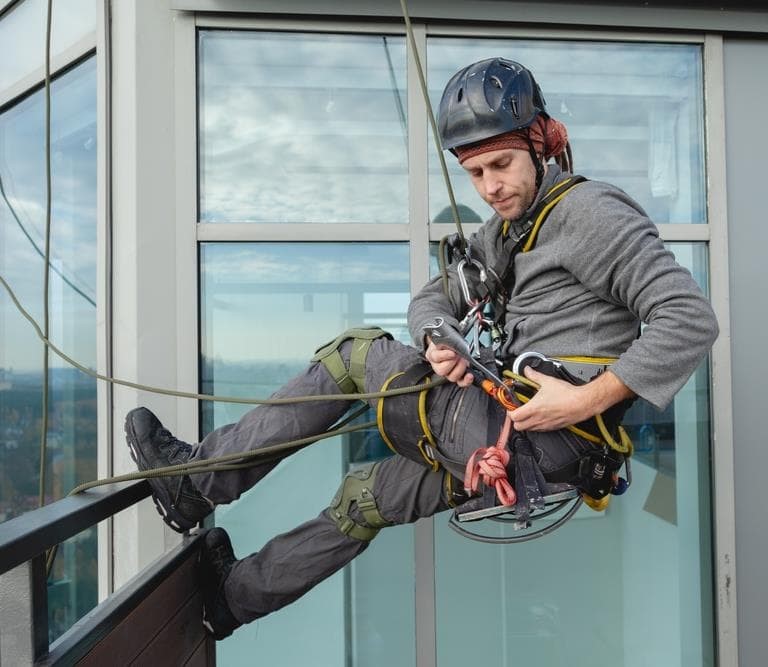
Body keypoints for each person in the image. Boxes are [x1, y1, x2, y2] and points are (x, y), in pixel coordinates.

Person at [124, 57, 719, 640]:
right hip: (534, 454)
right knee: (367, 498)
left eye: (503, 165)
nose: (491, 187)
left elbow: (688, 318)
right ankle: (233, 600)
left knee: (352, 355)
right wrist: (438, 337)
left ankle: (196, 485)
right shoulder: (511, 228)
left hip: (528, 433)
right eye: (476, 173)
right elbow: (435, 295)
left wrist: (585, 400)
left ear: (543, 141)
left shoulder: (589, 214)